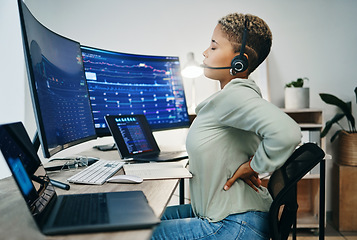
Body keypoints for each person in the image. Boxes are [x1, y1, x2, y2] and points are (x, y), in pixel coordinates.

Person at [151, 13, 302, 240]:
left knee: (137, 233)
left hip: (234, 222)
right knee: (142, 219)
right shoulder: (233, 97)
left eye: (213, 46)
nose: (205, 52)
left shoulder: (235, 95)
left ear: (238, 61)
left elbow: (287, 133)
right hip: (226, 214)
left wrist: (255, 165)